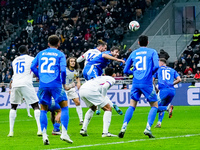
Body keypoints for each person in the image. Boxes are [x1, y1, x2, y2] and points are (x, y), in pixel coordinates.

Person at [31, 35, 73, 145]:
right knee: (64, 107)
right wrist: (63, 82)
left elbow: (32, 67)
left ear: (48, 43)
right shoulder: (60, 54)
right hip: (56, 84)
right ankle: (64, 133)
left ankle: (44, 135)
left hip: (43, 84)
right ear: (58, 43)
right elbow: (63, 70)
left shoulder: (41, 53)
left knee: (43, 110)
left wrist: (39, 75)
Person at [118, 35, 159, 138]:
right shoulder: (152, 51)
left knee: (132, 105)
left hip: (136, 82)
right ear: (148, 42)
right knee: (154, 105)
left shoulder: (134, 53)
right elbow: (157, 66)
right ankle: (148, 128)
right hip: (147, 83)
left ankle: (123, 126)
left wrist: (134, 72)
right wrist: (150, 73)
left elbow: (125, 71)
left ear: (139, 43)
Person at [8, 45, 42, 137]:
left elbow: (16, 73)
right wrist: (39, 76)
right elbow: (35, 68)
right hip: (26, 83)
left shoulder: (14, 61)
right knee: (35, 105)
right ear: (27, 50)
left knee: (13, 107)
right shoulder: (31, 58)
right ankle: (39, 130)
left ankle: (11, 131)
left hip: (15, 83)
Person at [79, 67, 117, 137]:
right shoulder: (111, 79)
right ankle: (105, 133)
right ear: (114, 74)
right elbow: (105, 87)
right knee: (108, 109)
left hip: (82, 89)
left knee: (93, 108)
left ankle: (83, 129)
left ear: (104, 73)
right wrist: (103, 97)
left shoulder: (100, 77)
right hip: (91, 90)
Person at [153, 58, 181, 128]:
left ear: (161, 63)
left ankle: (167, 108)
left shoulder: (158, 69)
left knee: (155, 107)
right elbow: (179, 79)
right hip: (172, 91)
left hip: (163, 90)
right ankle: (159, 123)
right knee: (162, 106)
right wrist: (171, 84)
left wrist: (155, 88)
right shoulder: (172, 70)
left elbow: (152, 80)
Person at [65, 57, 83, 125]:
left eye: (74, 61)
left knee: (77, 102)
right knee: (64, 105)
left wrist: (78, 83)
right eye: (71, 61)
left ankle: (81, 120)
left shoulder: (76, 70)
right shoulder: (65, 70)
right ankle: (62, 119)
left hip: (71, 88)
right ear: (68, 63)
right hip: (63, 88)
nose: (73, 62)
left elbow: (77, 77)